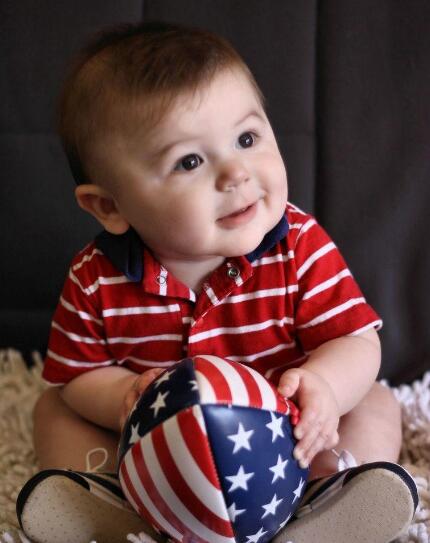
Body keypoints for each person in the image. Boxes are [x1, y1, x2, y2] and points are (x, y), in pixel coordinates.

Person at [17, 21, 417, 543]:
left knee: (374, 402)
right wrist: (122, 395)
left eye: (246, 139)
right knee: (53, 408)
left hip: (289, 440)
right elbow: (77, 374)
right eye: (189, 162)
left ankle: (330, 496)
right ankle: (107, 501)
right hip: (159, 452)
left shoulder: (298, 244)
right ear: (109, 206)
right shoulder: (95, 277)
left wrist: (324, 386)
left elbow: (355, 339)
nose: (236, 173)